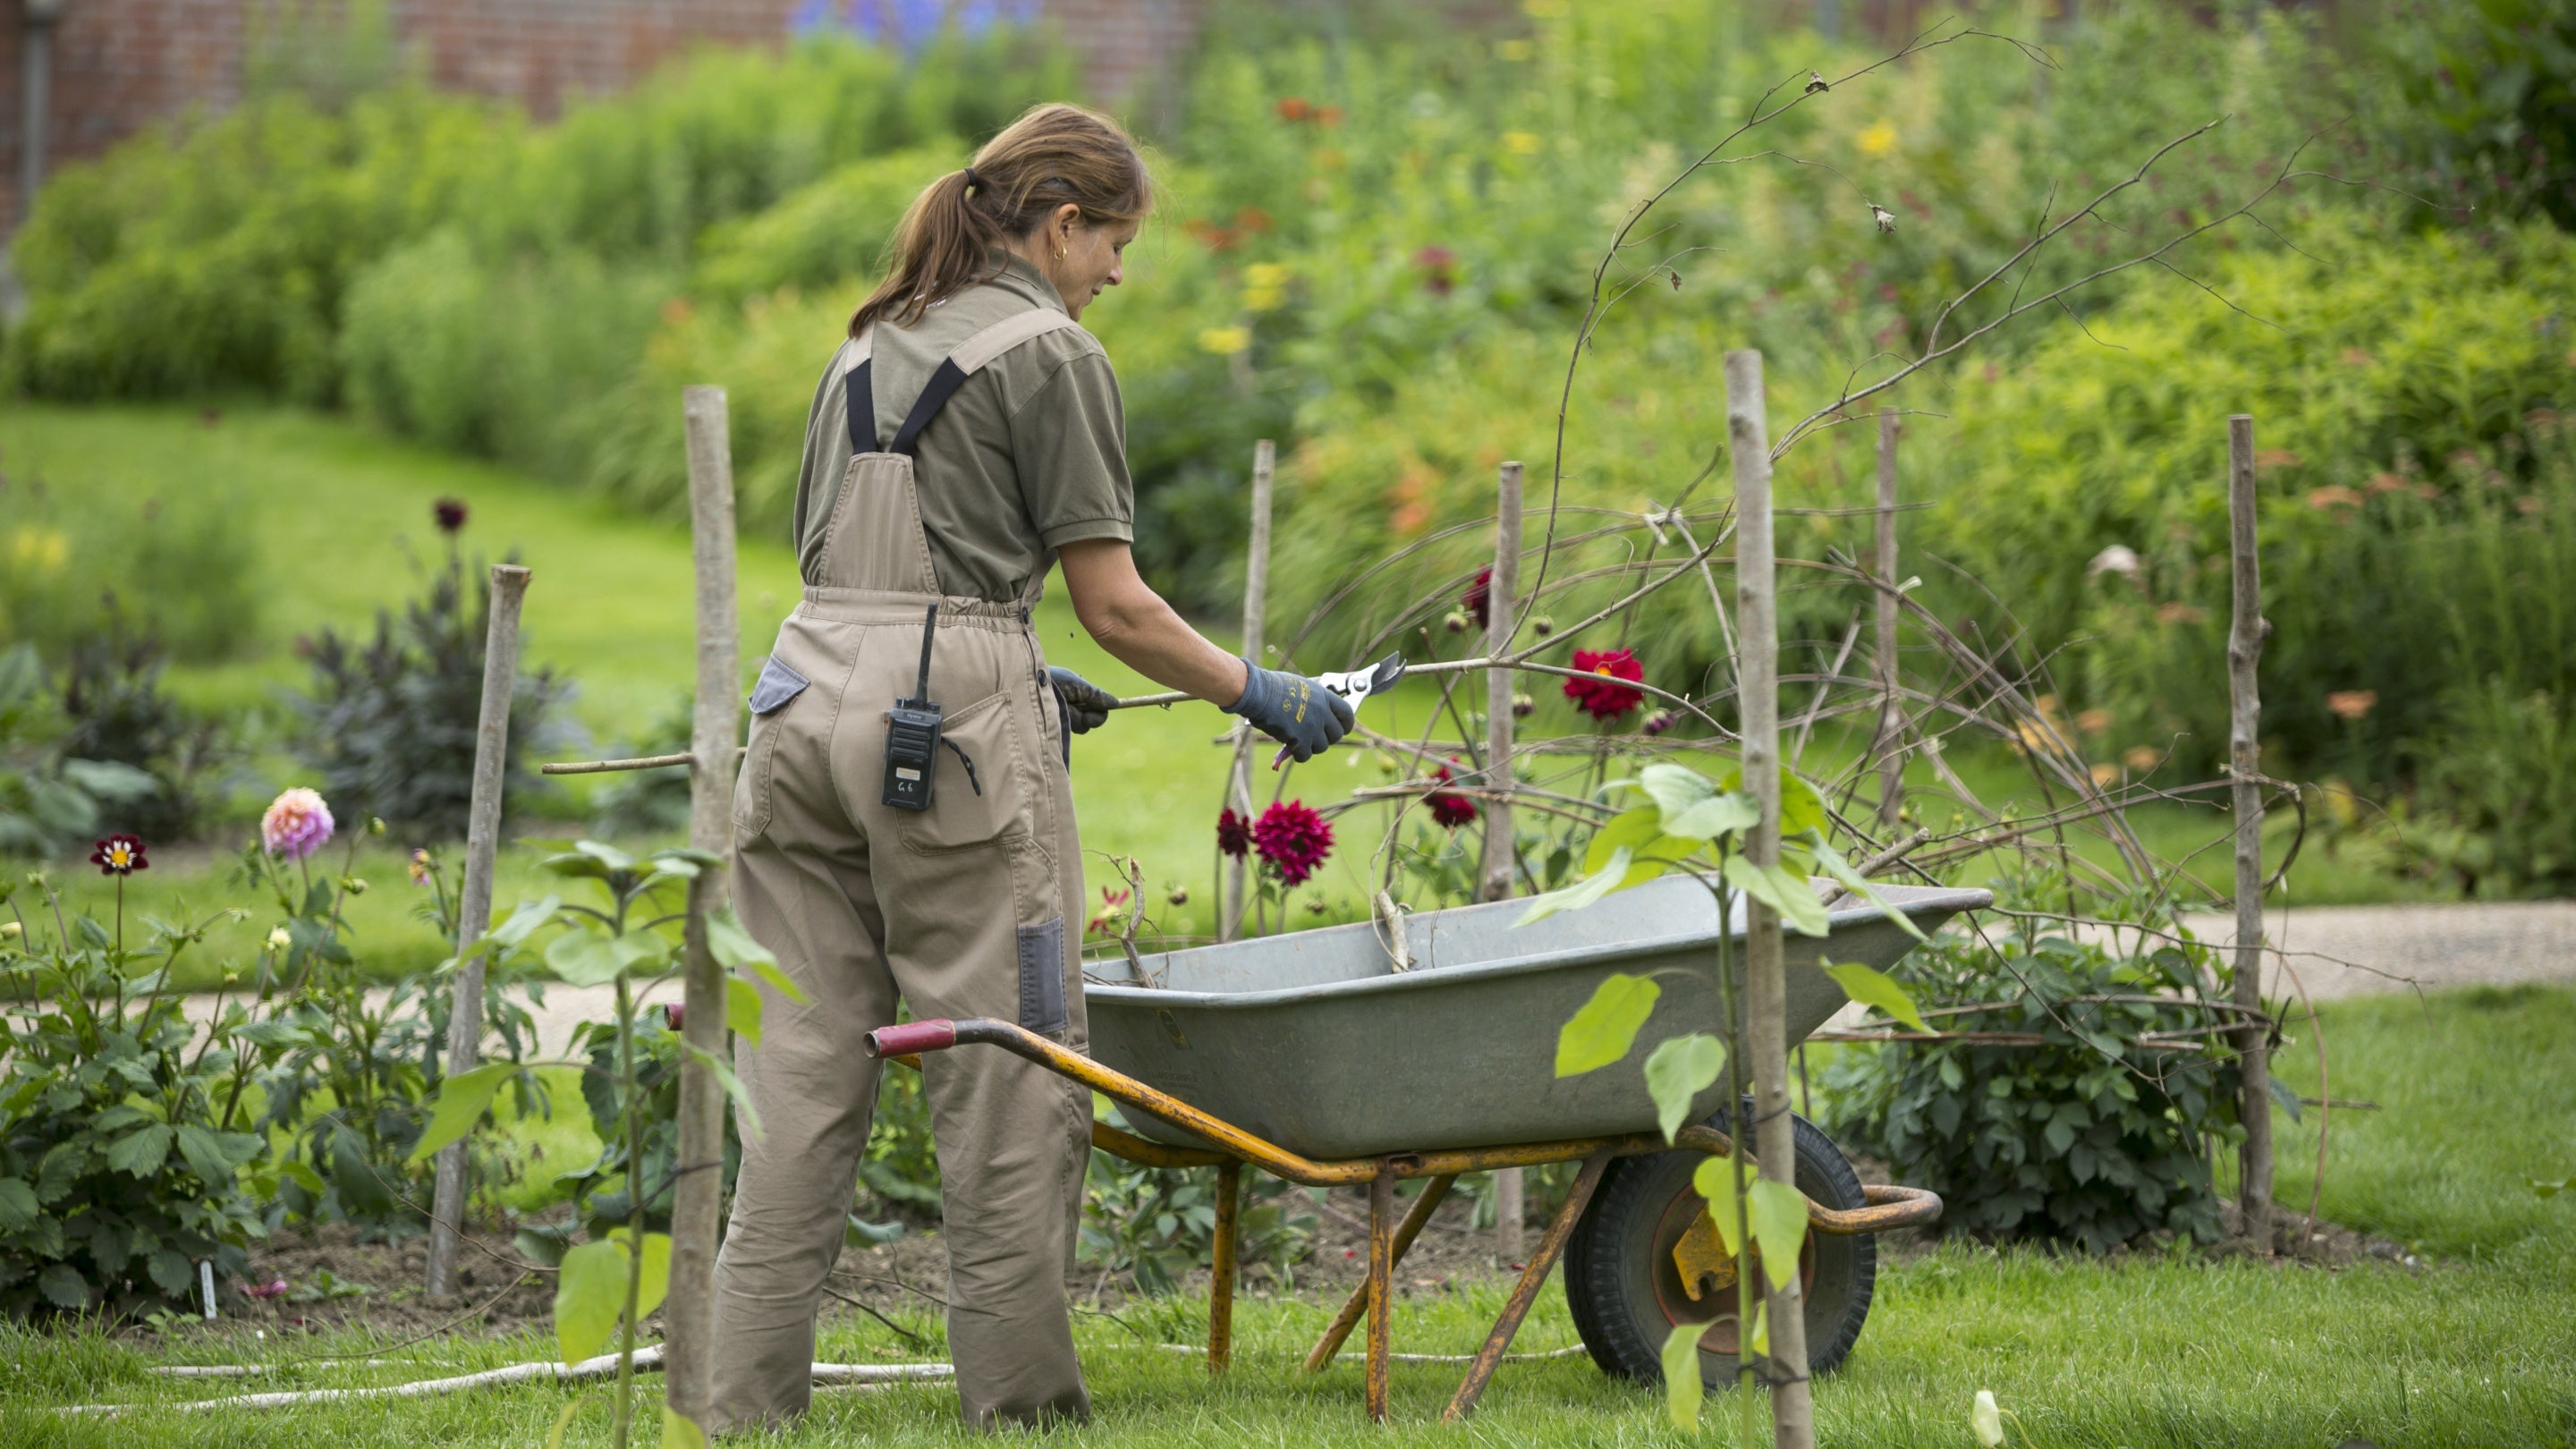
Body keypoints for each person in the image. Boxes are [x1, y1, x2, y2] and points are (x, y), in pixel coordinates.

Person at [710, 102, 1354, 1434]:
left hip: (798, 704)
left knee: (794, 1079)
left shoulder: (866, 340)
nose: (1119, 271)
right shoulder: (1053, 353)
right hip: (945, 737)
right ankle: (1021, 1414)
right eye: (1115, 241)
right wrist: (1263, 692)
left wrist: (999, 653)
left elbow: (854, 570)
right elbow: (1115, 607)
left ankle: (733, 1412)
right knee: (1011, 1078)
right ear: (1063, 224)